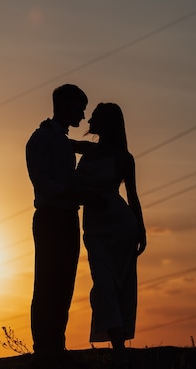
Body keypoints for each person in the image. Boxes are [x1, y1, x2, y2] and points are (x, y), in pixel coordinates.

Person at [72, 102, 147, 368]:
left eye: (95, 116)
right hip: (94, 227)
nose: (89, 119)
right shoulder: (89, 151)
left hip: (120, 224)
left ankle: (119, 348)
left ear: (107, 123)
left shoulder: (123, 157)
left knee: (118, 283)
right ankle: (118, 346)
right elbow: (67, 145)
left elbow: (133, 195)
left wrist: (141, 228)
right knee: (103, 284)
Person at [25, 83, 88, 368]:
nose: (83, 115)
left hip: (67, 217)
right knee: (47, 281)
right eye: (80, 108)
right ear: (64, 106)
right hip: (51, 217)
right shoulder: (41, 139)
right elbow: (44, 183)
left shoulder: (62, 141)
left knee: (65, 283)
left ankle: (55, 344)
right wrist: (73, 193)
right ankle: (44, 347)